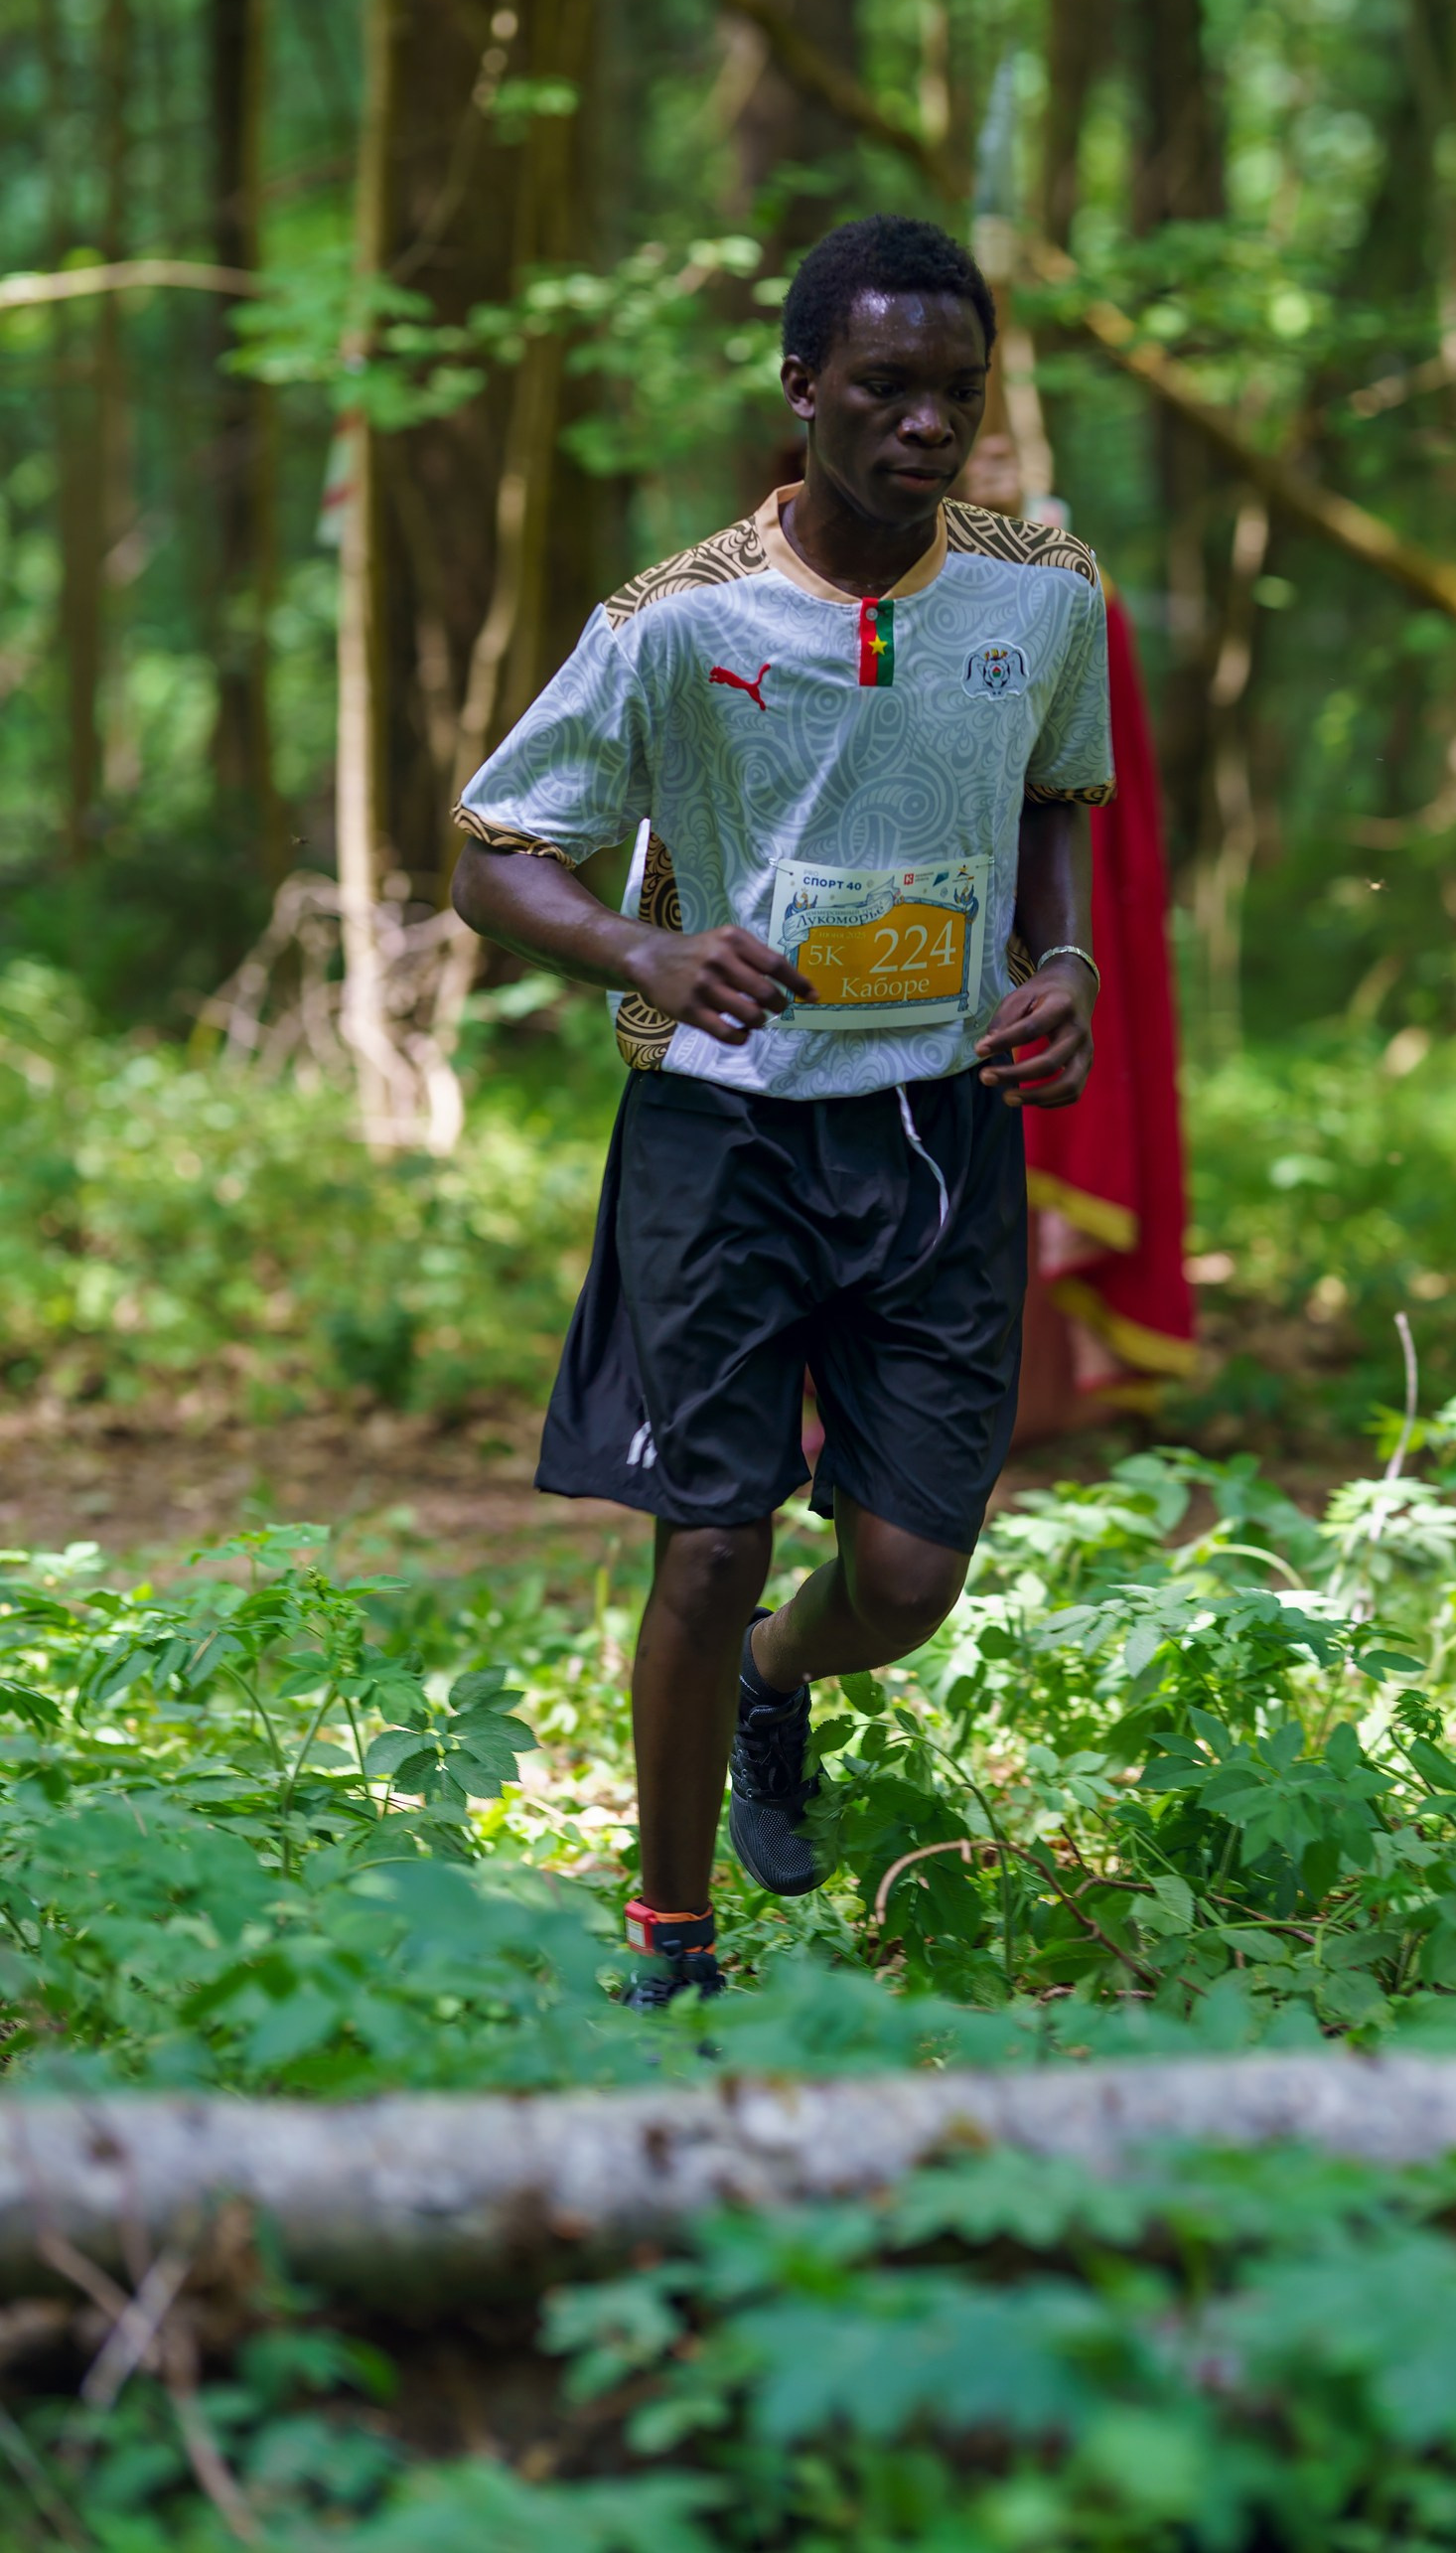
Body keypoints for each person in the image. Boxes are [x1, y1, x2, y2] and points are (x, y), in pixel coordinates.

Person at [450, 214, 1113, 2007]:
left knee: (903, 1577)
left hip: (936, 1128)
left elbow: (1061, 796)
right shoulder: (675, 622)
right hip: (724, 1129)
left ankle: (769, 1682)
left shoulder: (1044, 590)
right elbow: (496, 852)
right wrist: (641, 957)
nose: (925, 426)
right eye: (887, 388)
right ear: (803, 387)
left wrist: (1063, 972)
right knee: (716, 1528)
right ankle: (674, 1938)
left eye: (956, 394)